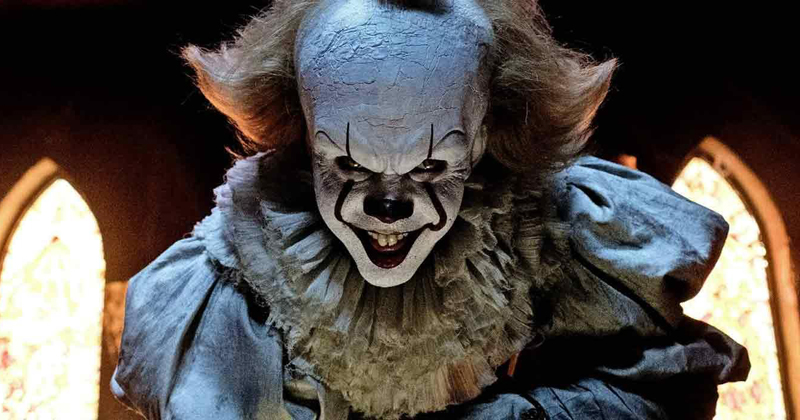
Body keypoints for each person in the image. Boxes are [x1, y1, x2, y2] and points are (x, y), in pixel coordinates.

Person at [112, 1, 749, 418]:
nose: (388, 208)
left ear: (484, 136)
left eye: (431, 167)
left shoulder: (556, 230)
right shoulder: (222, 281)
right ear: (304, 136)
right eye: (348, 164)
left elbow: (669, 389)